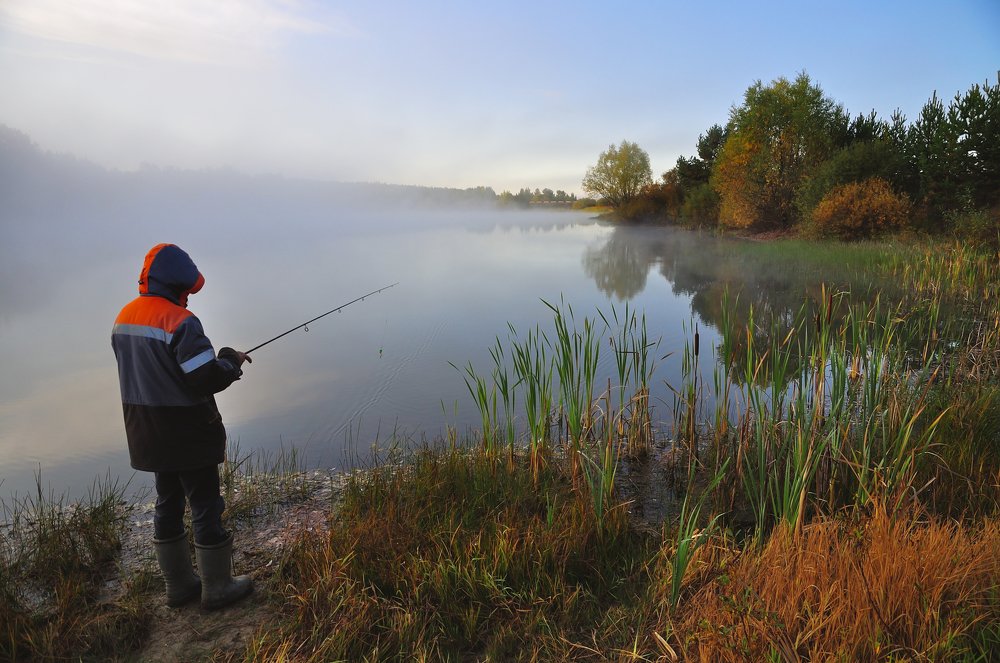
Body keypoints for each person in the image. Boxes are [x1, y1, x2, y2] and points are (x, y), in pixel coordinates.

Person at [111, 243, 253, 610]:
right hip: (187, 433)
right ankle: (217, 587)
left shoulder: (124, 318)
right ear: (174, 284)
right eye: (187, 291)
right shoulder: (180, 322)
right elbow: (203, 378)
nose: (189, 299)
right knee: (205, 503)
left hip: (147, 432)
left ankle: (178, 586)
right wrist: (230, 361)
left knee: (167, 502)